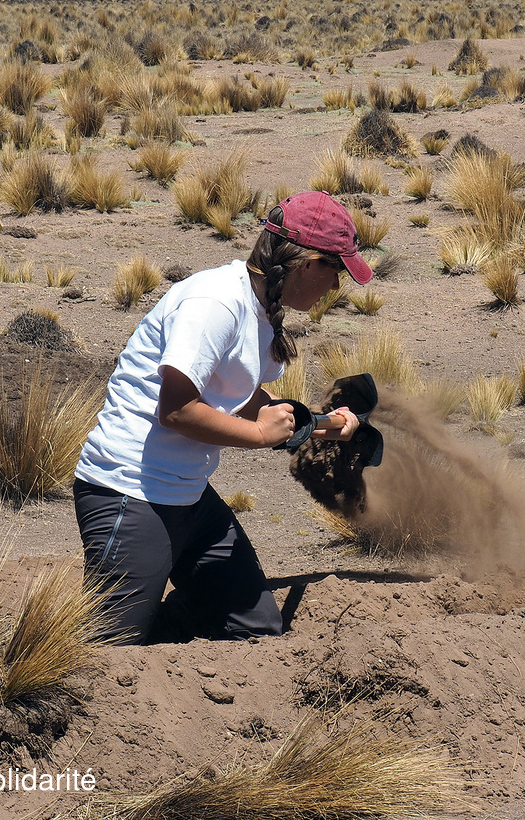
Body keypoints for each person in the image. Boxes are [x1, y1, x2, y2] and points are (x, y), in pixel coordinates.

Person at [73, 191, 374, 645]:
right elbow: (176, 410)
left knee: (255, 628)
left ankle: (164, 625)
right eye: (335, 271)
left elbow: (242, 397)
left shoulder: (262, 309)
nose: (335, 287)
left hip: (188, 495)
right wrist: (259, 434)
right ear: (307, 263)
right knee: (108, 648)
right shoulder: (216, 303)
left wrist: (320, 423)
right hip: (130, 491)